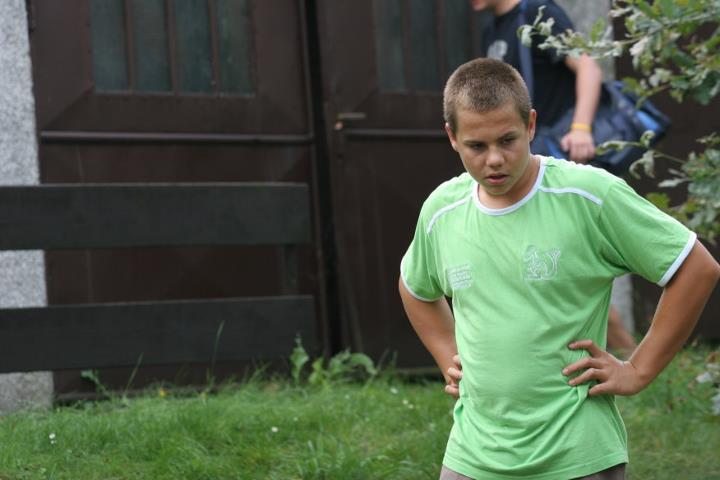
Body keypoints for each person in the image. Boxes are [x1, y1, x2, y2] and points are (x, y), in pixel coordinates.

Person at [398, 58, 720, 479]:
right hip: (473, 454)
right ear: (452, 137)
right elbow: (415, 288)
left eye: (508, 140)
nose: (495, 159)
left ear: (531, 125)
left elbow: (695, 267)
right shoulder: (442, 210)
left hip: (576, 453)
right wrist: (447, 355)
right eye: (477, 146)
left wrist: (638, 369)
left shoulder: (588, 195)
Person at [470, 0, 638, 355]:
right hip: (520, 165)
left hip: (556, 156)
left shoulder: (536, 11)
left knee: (572, 264)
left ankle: (634, 363)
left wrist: (581, 128)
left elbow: (588, 66)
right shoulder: (491, 29)